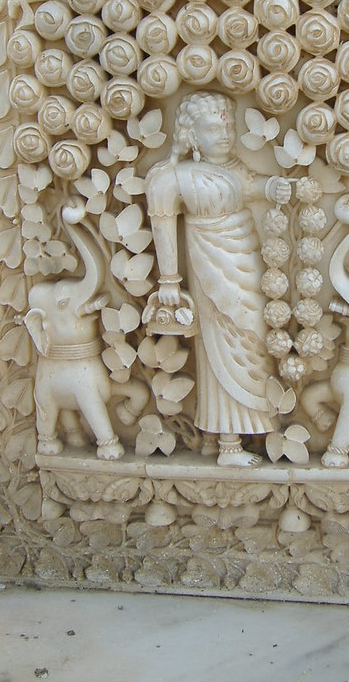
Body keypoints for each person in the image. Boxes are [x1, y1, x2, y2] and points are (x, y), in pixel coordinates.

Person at [145, 92, 291, 466]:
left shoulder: (233, 168)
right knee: (221, 345)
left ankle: (237, 432)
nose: (224, 135)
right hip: (209, 263)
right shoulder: (173, 177)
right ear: (192, 135)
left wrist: (272, 187)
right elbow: (162, 225)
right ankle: (227, 444)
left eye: (228, 127)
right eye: (213, 128)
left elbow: (250, 187)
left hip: (245, 256)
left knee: (252, 336)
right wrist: (169, 282)